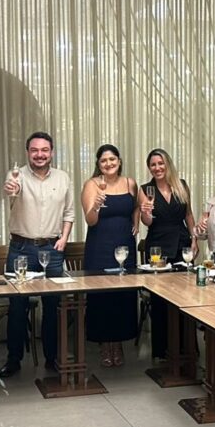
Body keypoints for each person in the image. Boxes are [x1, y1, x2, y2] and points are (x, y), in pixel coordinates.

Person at [1, 131, 74, 378]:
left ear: (51, 152)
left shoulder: (63, 178)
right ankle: (13, 359)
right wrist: (11, 188)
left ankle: (52, 358)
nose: (39, 155)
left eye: (44, 150)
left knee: (53, 306)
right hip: (21, 250)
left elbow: (69, 213)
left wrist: (64, 238)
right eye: (34, 150)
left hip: (52, 250)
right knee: (17, 306)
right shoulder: (16, 175)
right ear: (28, 152)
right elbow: (11, 191)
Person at [81, 144, 140, 367]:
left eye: (112, 159)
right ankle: (105, 344)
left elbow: (137, 206)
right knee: (103, 296)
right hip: (100, 246)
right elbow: (90, 220)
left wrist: (136, 223)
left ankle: (119, 343)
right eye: (104, 160)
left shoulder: (130, 183)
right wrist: (96, 206)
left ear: (119, 161)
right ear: (98, 164)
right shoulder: (92, 184)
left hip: (125, 245)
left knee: (123, 295)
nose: (109, 163)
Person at [140, 148, 197, 361]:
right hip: (158, 247)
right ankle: (163, 349)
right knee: (161, 299)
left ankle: (186, 348)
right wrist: (146, 211)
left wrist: (194, 239)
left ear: (168, 164)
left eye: (160, 163)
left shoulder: (182, 185)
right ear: (149, 168)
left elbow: (188, 215)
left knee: (185, 296)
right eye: (153, 165)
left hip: (182, 243)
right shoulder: (145, 189)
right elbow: (147, 222)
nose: (157, 168)